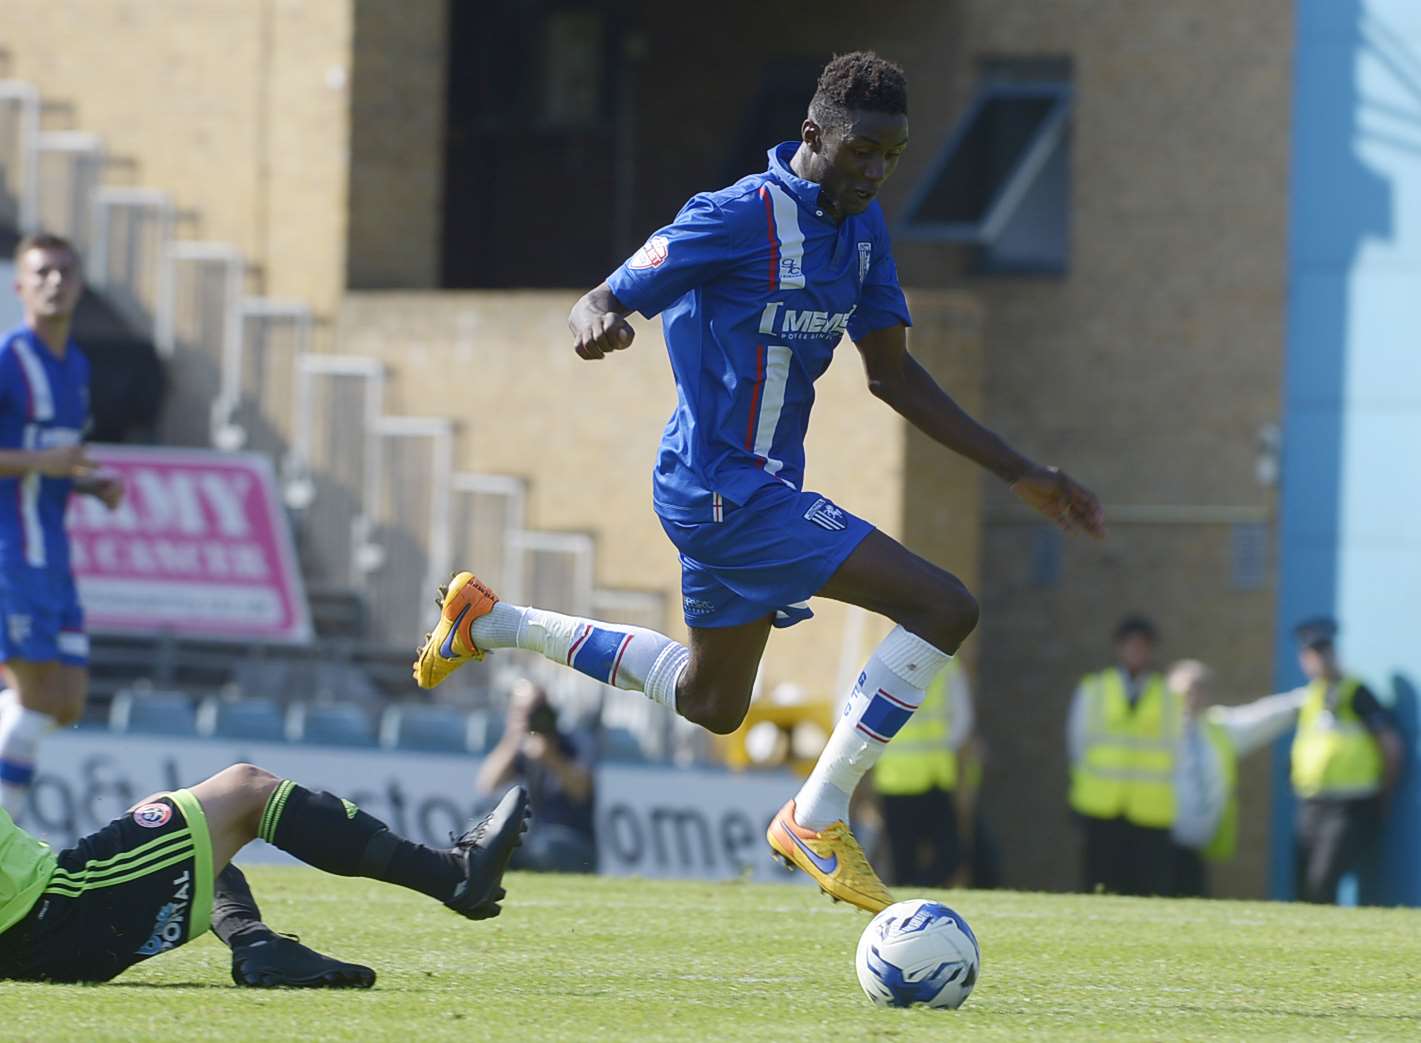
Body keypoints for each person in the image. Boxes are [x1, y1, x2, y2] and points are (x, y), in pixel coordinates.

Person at [414, 51, 1104, 914]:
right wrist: (598, 323)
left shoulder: (862, 229)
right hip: (717, 489)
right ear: (812, 134)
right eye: (862, 151)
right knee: (942, 605)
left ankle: (491, 621)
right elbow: (601, 295)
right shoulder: (734, 216)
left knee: (712, 701)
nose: (876, 171)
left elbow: (892, 375)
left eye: (891, 156)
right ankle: (815, 815)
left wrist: (1020, 471)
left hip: (756, 492)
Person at [0, 762, 529, 984]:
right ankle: (453, 875)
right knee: (246, 790)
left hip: (40, 921)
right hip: (56, 909)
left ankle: (256, 945)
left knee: (187, 821)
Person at [0, 233, 124, 820]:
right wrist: (43, 464)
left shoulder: (76, 367)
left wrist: (90, 482)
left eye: (65, 272)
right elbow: (36, 458)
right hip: (11, 553)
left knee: (65, 703)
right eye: (42, 272)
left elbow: (54, 458)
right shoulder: (8, 358)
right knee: (32, 703)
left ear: (79, 285)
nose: (54, 282)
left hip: (53, 553)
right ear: (20, 285)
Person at [1166, 659, 1306, 898]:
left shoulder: (1217, 728)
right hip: (1157, 835)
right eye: (1187, 690)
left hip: (1195, 842)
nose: (1193, 697)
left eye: (1199, 690)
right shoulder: (1157, 728)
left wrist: (1303, 700)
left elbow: (1261, 717)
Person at [1288, 617, 1403, 904]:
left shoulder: (1356, 691)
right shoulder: (1311, 697)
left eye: (1325, 651)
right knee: (1303, 883)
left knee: (1322, 879)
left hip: (1351, 805)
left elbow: (1390, 744)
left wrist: (1385, 792)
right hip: (1312, 803)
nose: (1321, 660)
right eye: (1313, 654)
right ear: (1304, 659)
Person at [1067, 616, 1178, 896]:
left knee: (1144, 884)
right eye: (1131, 645)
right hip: (1101, 802)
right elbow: (1077, 741)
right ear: (1119, 648)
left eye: (1142, 646)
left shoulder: (1166, 695)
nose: (1136, 652)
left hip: (1149, 807)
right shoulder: (1095, 687)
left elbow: (1176, 748)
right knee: (1098, 881)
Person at [477, 680, 598, 873]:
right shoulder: (518, 746)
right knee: (490, 841)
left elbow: (580, 791)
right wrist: (513, 739)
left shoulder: (571, 743)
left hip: (572, 839)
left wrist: (552, 758)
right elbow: (488, 784)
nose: (532, 717)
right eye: (523, 711)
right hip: (532, 836)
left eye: (537, 709)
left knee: (546, 848)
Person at [871, 656, 972, 887]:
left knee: (927, 858)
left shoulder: (883, 660)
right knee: (931, 857)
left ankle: (914, 896)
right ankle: (913, 904)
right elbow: (962, 720)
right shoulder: (947, 664)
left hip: (911, 779)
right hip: (914, 778)